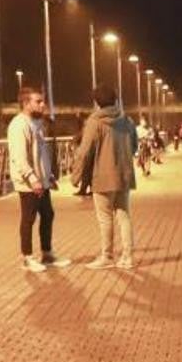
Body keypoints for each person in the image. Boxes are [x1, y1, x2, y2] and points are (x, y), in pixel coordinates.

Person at [72, 85, 139, 270]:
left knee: (105, 218)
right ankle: (128, 257)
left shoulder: (95, 121)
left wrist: (75, 176)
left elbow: (84, 151)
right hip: (123, 175)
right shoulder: (127, 120)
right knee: (124, 216)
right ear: (116, 99)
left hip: (102, 176)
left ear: (96, 102)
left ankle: (107, 256)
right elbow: (134, 146)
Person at [7, 87, 72, 272]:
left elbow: (41, 154)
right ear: (26, 103)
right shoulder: (19, 125)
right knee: (28, 218)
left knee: (48, 215)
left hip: (41, 180)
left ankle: (47, 253)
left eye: (43, 101)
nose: (43, 104)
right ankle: (27, 258)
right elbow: (19, 156)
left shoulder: (36, 123)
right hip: (29, 183)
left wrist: (48, 175)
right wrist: (32, 178)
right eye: (38, 101)